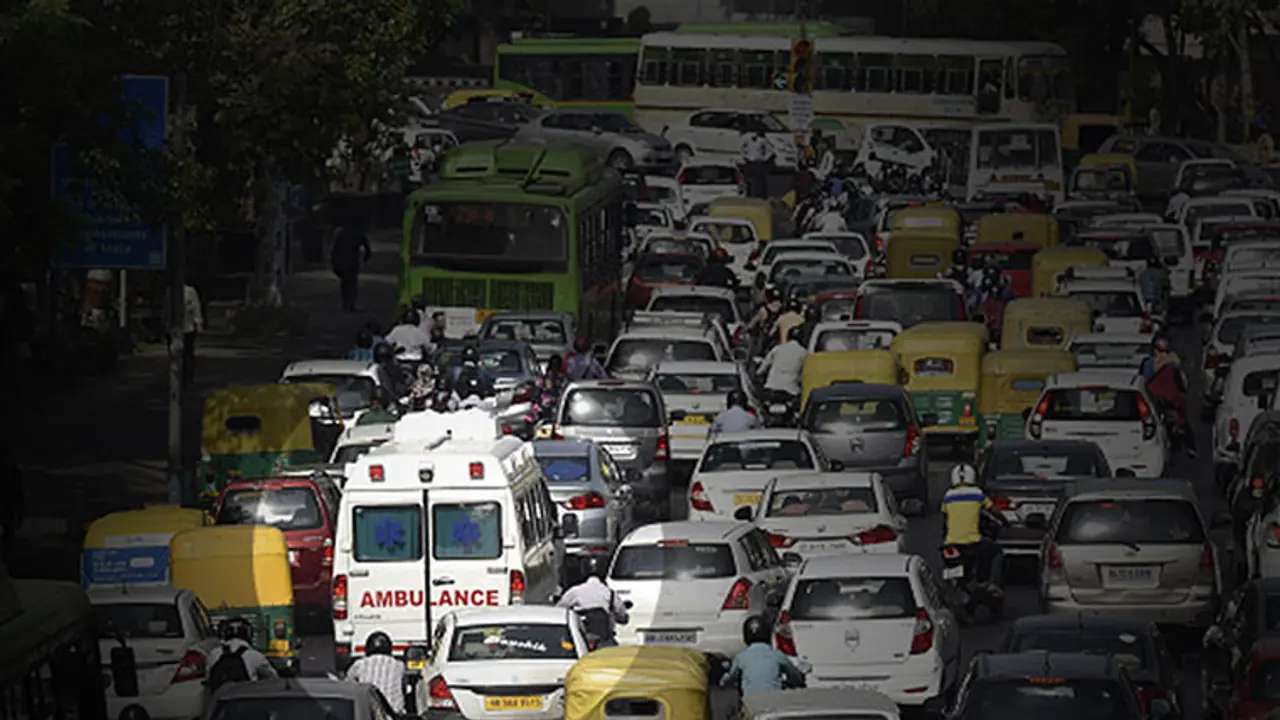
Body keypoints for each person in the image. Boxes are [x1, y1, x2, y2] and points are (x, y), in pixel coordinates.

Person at [940, 464, 1004, 594]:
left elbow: (945, 517)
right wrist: (1005, 521)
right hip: (972, 542)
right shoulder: (978, 494)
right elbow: (993, 510)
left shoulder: (948, 496)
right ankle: (986, 581)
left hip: (950, 544)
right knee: (996, 551)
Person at [720, 615, 807, 696]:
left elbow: (730, 678)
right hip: (774, 703)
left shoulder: (741, 657)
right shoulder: (777, 655)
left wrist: (724, 680)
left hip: (750, 705)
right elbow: (795, 677)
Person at [556, 556, 629, 643]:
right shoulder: (610, 593)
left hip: (581, 638)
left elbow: (558, 610)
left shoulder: (575, 591)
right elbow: (622, 615)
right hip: (603, 640)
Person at [206, 617, 278, 691]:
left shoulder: (214, 654)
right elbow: (273, 680)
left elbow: (208, 678)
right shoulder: (255, 656)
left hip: (219, 700)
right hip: (246, 700)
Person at [345, 631, 406, 713]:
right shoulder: (398, 665)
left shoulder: (360, 664)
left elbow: (348, 686)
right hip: (393, 714)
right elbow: (403, 688)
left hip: (368, 713)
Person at [331, 217, 372, 312]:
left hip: (342, 259)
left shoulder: (342, 233)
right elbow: (367, 249)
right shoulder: (359, 234)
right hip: (352, 260)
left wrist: (334, 261)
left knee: (345, 282)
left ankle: (346, 302)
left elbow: (335, 248)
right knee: (352, 282)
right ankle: (351, 303)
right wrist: (365, 259)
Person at [758, 326, 809, 398]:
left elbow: (764, 365)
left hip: (771, 387)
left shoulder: (777, 348)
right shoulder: (804, 353)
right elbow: (805, 373)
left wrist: (758, 373)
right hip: (791, 390)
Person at [740, 130, 774, 199]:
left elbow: (770, 150)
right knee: (748, 180)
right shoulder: (747, 141)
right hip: (750, 162)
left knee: (760, 180)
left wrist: (764, 158)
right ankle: (749, 195)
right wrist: (745, 157)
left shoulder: (763, 141)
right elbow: (742, 149)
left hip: (759, 162)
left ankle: (761, 196)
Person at [180, 282, 203, 387]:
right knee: (175, 353)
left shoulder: (190, 291)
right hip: (174, 329)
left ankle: (187, 377)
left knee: (187, 353)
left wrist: (198, 323)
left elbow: (196, 307)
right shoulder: (170, 291)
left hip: (188, 327)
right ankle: (177, 376)